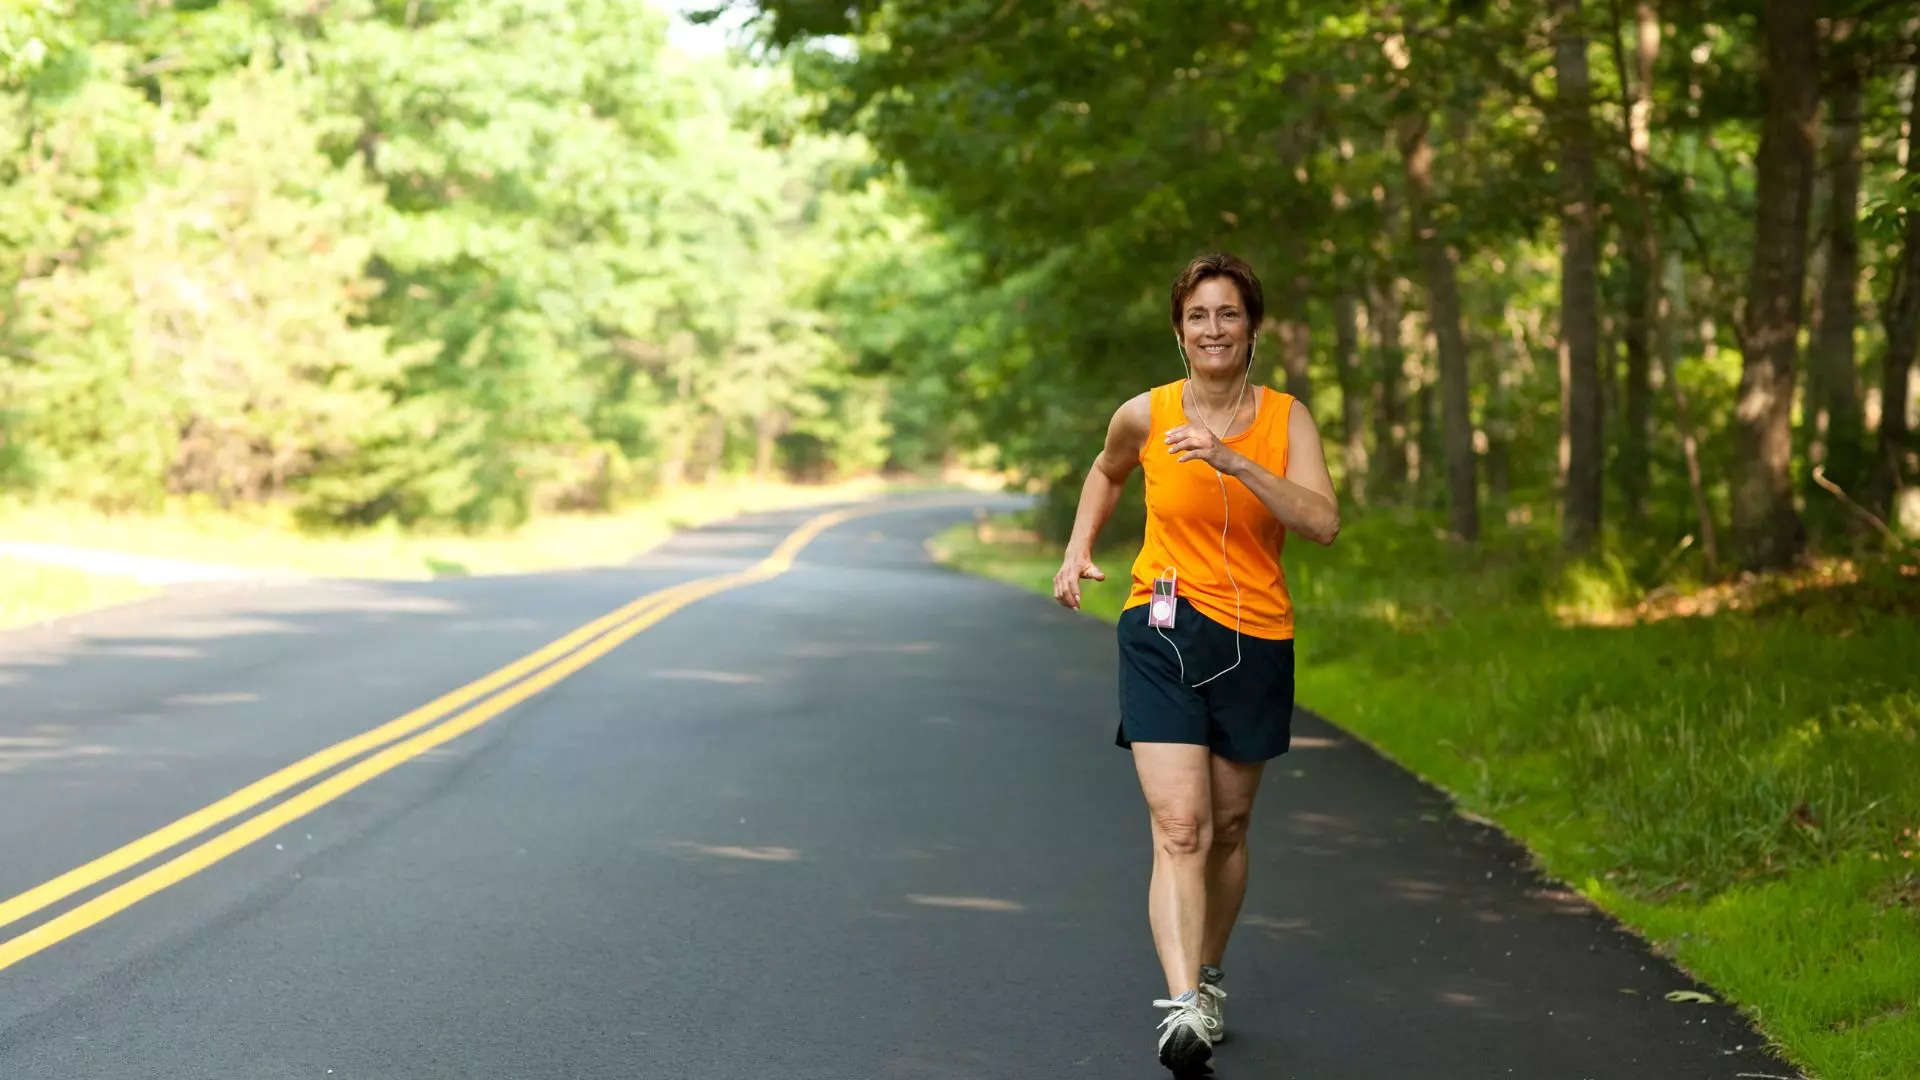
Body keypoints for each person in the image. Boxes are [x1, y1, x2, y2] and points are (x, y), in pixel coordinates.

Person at [1051, 252, 1340, 1076]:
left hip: (1256, 638)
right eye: (1198, 317)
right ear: (1179, 332)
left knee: (1232, 826)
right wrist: (1078, 548)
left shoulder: (1288, 419)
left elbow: (1322, 522)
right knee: (1182, 826)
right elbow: (1106, 473)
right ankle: (1182, 1007)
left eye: (1228, 315)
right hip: (1162, 627)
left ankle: (1208, 978)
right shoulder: (1144, 414)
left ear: (1253, 327)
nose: (1213, 330)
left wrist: (1233, 459)